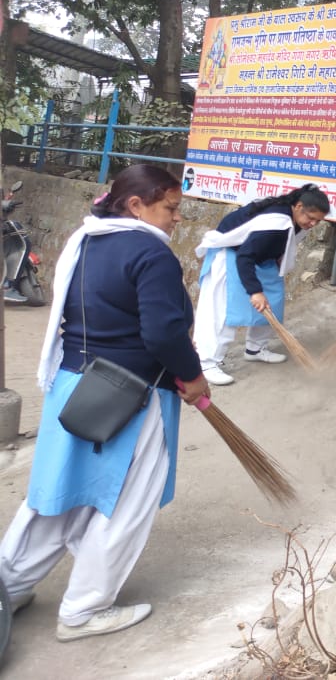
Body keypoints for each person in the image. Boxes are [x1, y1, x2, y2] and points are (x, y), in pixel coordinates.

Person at [0, 165, 209, 641]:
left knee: (55, 496)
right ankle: (83, 611)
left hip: (74, 384)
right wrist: (194, 377)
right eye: (171, 208)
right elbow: (163, 332)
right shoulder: (151, 254)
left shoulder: (88, 240)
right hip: (129, 395)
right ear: (136, 205)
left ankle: (8, 588)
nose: (177, 218)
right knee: (125, 504)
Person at [193, 184, 330, 386]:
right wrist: (255, 291)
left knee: (273, 301)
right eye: (311, 218)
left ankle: (255, 348)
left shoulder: (294, 220)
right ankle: (206, 362)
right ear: (299, 206)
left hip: (259, 258)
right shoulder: (275, 224)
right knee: (225, 312)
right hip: (232, 254)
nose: (313, 224)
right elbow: (244, 256)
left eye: (318, 221)